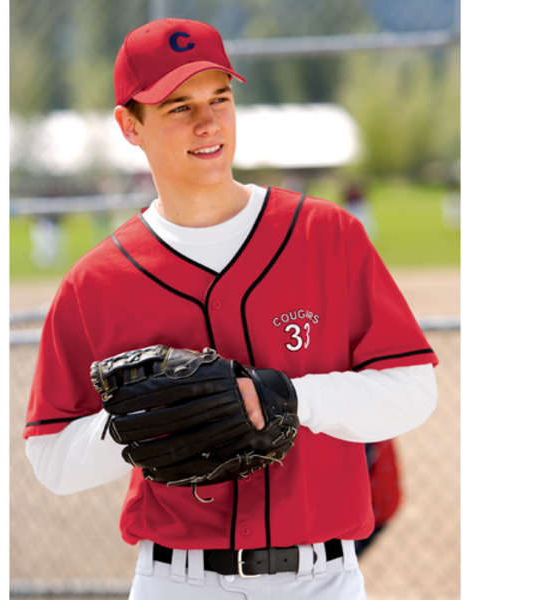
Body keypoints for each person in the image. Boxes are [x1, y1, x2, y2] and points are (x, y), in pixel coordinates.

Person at [24, 18, 438, 599]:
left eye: (219, 98)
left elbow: (414, 390)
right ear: (129, 125)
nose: (208, 123)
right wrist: (139, 425)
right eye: (179, 107)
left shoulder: (325, 235)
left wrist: (292, 398)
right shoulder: (97, 281)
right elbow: (50, 456)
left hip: (322, 580)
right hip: (177, 582)